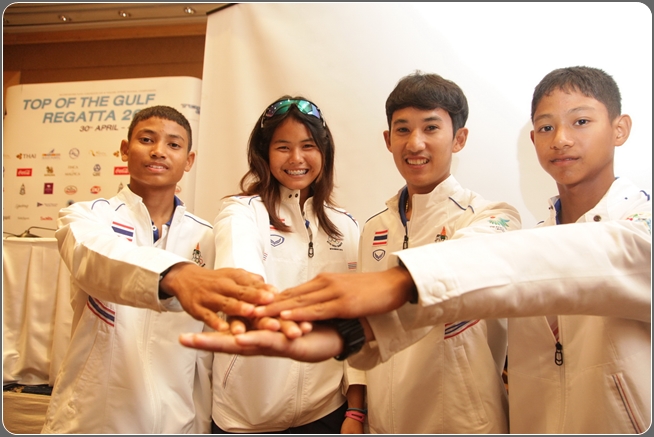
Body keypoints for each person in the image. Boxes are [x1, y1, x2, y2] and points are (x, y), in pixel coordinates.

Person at [180, 66, 652, 434]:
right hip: (388, 422)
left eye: (581, 121)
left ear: (459, 138)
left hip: (464, 424)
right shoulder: (375, 227)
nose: (562, 138)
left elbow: (494, 262)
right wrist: (356, 355)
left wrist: (398, 282)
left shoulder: (497, 219)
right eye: (403, 129)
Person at [42, 105, 275, 434]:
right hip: (93, 417)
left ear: (189, 161)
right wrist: (175, 275)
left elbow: (207, 350)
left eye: (173, 144)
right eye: (147, 139)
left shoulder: (206, 237)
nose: (158, 151)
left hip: (178, 420)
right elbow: (94, 259)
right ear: (125, 150)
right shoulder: (87, 217)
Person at [209, 96, 366, 434]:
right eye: (283, 147)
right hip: (246, 415)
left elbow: (357, 323)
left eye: (308, 146)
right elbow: (240, 277)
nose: (296, 158)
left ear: (324, 152)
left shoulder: (346, 226)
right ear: (264, 153)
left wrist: (355, 410)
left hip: (326, 411)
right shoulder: (241, 213)